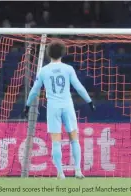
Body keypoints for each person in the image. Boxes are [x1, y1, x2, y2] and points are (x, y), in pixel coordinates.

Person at [24, 41, 95, 179]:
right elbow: (79, 87)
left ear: (48, 53)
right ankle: (78, 171)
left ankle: (60, 173)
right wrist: (89, 101)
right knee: (74, 139)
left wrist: (27, 105)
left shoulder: (44, 71)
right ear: (63, 53)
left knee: (56, 140)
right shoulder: (68, 69)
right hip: (67, 106)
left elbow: (34, 90)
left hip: (53, 108)